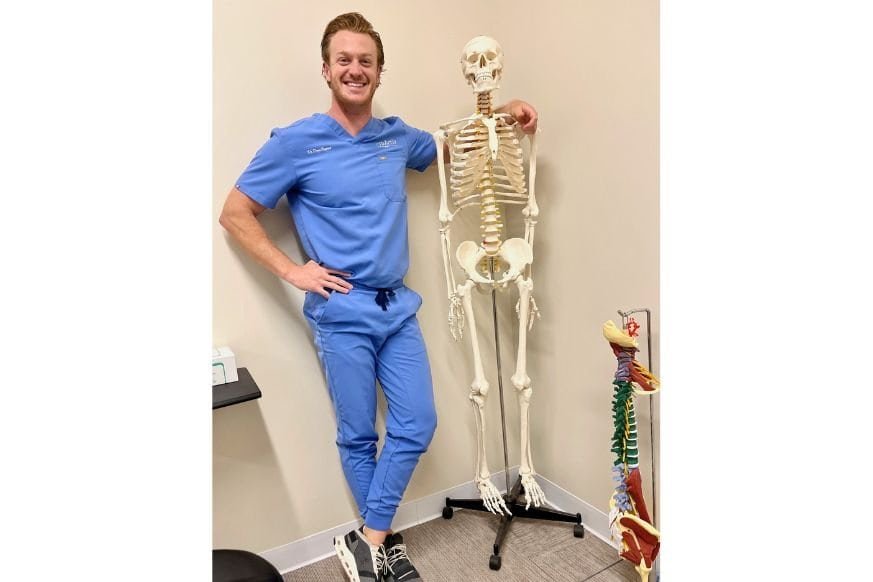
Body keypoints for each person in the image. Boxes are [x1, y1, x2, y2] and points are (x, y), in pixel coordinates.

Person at [219, 12, 538, 582]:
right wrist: (294, 272)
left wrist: (502, 112)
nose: (355, 70)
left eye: (365, 61)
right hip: (341, 313)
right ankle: (383, 551)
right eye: (344, 59)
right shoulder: (295, 143)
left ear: (379, 72)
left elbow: (447, 148)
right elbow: (235, 213)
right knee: (359, 435)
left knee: (417, 422)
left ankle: (366, 540)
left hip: (398, 307)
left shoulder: (396, 138)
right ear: (326, 69)